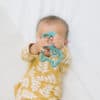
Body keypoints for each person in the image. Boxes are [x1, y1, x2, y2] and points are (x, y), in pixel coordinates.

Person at [14, 15, 71, 100]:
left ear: (65, 42)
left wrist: (61, 48)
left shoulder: (61, 55)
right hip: (27, 91)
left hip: (49, 96)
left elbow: (66, 62)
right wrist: (34, 48)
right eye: (43, 36)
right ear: (37, 38)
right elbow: (24, 56)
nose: (48, 40)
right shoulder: (36, 51)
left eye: (55, 37)